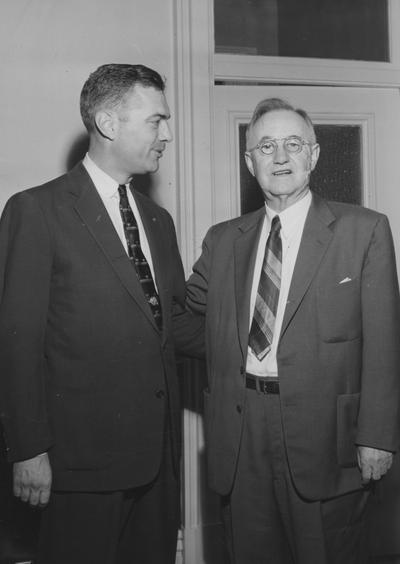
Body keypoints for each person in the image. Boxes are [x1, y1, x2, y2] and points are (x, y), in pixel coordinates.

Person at [0, 63, 203, 564]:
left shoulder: (158, 219)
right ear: (109, 124)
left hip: (156, 466)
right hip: (76, 469)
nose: (168, 135)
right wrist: (28, 451)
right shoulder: (37, 211)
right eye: (157, 121)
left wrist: (265, 330)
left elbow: (171, 325)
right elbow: (16, 342)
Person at [186, 97, 400, 564]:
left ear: (315, 155)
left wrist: (378, 437)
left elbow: (384, 345)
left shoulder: (363, 231)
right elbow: (186, 319)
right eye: (266, 146)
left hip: (328, 438)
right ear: (249, 162)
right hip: (242, 436)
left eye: (293, 144)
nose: (280, 157)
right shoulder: (224, 241)